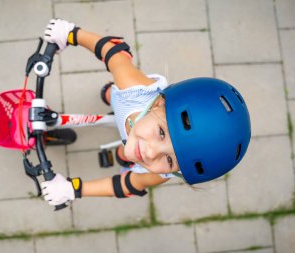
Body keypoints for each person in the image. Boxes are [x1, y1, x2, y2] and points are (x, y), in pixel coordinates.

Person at [40, 19, 251, 207]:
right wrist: (71, 34)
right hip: (125, 100)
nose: (151, 153)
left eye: (169, 161)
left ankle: (124, 153)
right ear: (159, 102)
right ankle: (110, 96)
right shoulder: (133, 89)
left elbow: (127, 185)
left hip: (134, 123)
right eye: (161, 133)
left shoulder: (160, 174)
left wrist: (73, 190)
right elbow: (113, 52)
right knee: (113, 91)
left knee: (131, 157)